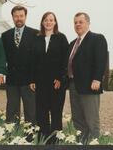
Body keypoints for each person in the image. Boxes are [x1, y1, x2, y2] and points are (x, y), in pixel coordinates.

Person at [68, 12, 108, 144]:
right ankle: (82, 142)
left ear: (88, 23)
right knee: (78, 119)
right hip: (74, 85)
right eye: (75, 22)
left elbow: (101, 60)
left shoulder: (97, 38)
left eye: (81, 22)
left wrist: (97, 79)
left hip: (90, 86)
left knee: (91, 120)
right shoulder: (72, 43)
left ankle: (94, 143)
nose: (77, 25)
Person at [29, 12, 69, 142]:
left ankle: (56, 141)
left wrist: (60, 78)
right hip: (40, 83)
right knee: (42, 113)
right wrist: (32, 80)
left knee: (56, 113)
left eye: (51, 20)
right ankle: (43, 139)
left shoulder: (61, 38)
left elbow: (65, 60)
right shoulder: (36, 38)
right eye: (46, 20)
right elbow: (32, 61)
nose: (48, 22)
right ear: (42, 22)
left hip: (56, 83)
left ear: (55, 22)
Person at [1, 6, 38, 124]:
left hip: (29, 81)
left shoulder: (35, 34)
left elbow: (37, 59)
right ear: (12, 17)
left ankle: (29, 137)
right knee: (12, 110)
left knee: (31, 111)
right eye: (16, 16)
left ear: (25, 17)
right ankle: (13, 136)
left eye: (21, 16)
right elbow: (3, 57)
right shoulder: (5, 35)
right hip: (12, 80)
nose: (19, 18)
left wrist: (34, 79)